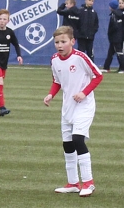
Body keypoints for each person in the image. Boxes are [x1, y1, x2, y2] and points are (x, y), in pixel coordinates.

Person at [44, 26, 103, 197]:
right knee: (67, 144)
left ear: (72, 41)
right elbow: (57, 81)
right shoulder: (54, 59)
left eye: (63, 41)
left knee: (78, 139)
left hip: (84, 106)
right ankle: (73, 183)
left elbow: (98, 76)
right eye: (57, 42)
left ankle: (88, 182)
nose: (59, 45)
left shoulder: (80, 57)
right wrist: (50, 94)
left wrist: (84, 93)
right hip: (67, 107)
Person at [103, 0, 124, 73]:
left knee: (122, 52)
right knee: (111, 52)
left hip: (123, 36)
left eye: (122, 3)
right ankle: (107, 67)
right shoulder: (118, 13)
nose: (120, 4)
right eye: (119, 3)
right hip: (117, 36)